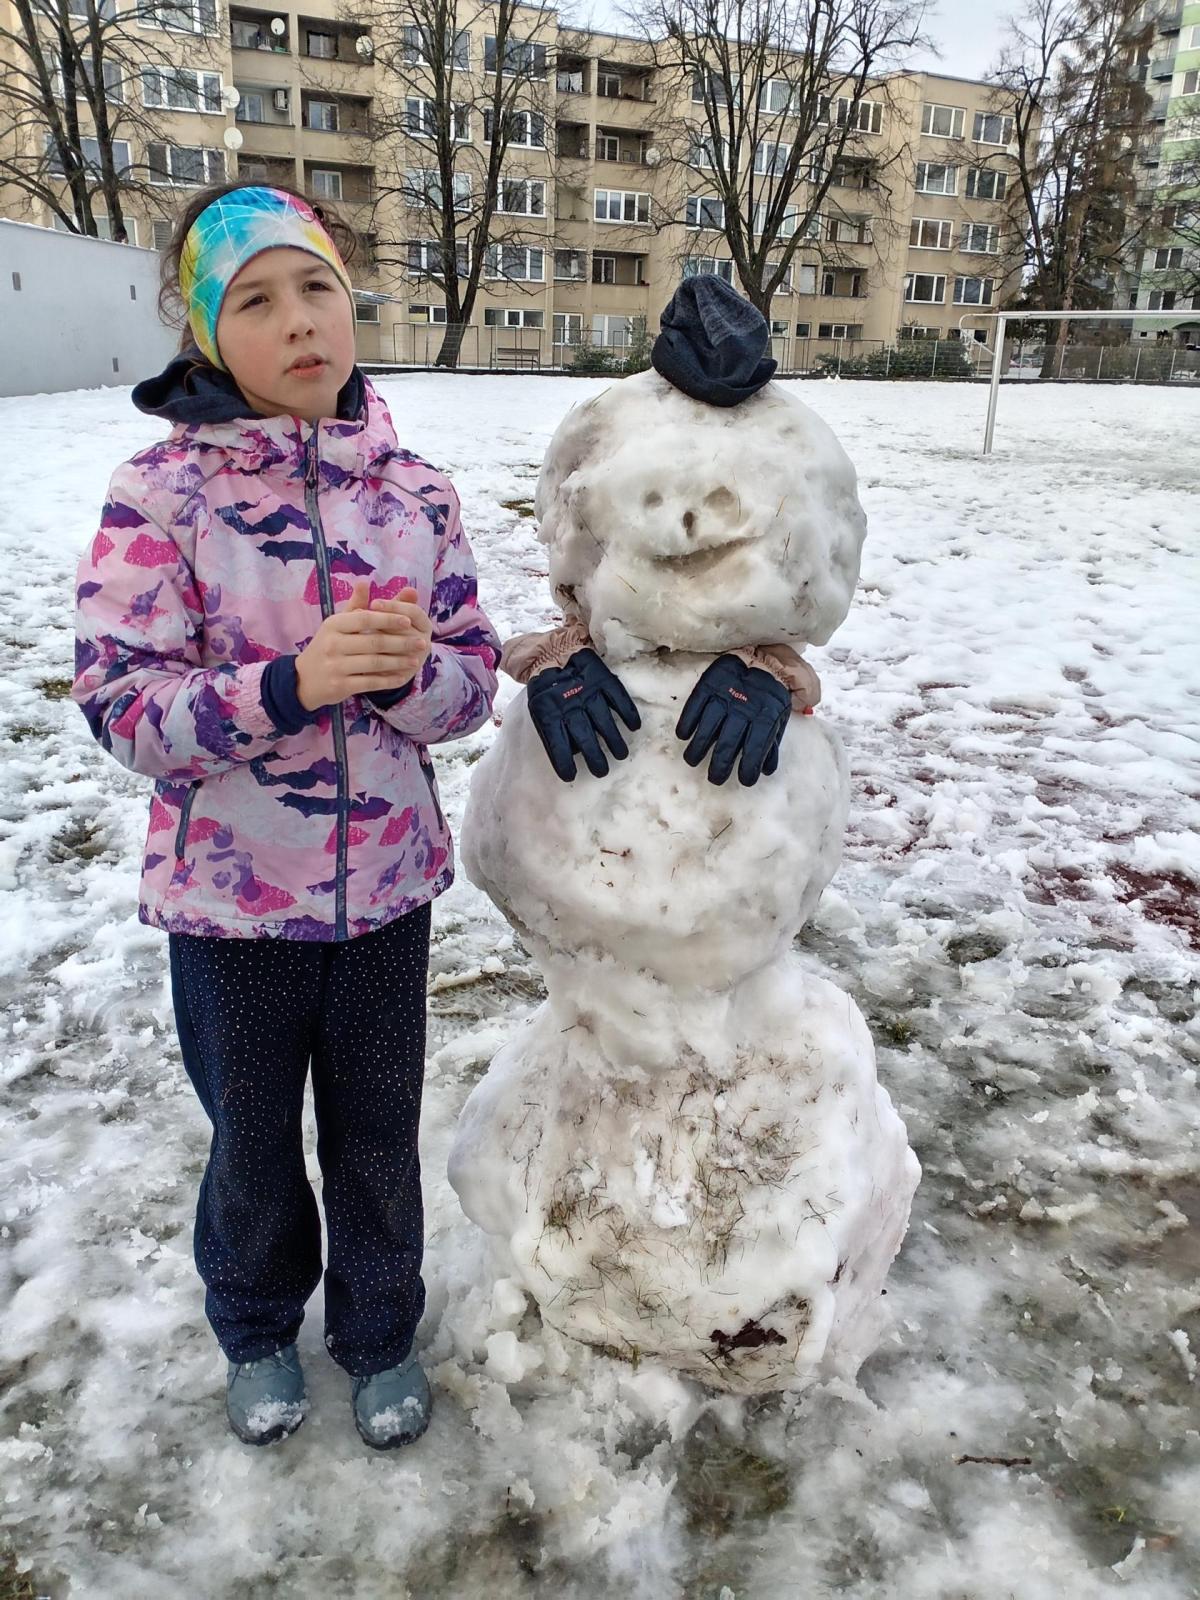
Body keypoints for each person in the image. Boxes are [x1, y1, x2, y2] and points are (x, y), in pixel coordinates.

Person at [71, 182, 500, 1451]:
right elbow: (122, 706)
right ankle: (257, 1325)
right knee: (252, 1141)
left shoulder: (417, 495)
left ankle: (377, 1332)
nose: (299, 319)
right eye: (255, 300)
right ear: (207, 334)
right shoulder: (161, 496)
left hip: (387, 894)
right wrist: (288, 685)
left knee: (376, 1138)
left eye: (316, 285)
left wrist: (409, 678)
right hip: (230, 907)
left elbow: (473, 678)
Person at [502, 276, 821, 786]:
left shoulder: (789, 438)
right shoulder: (607, 421)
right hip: (608, 682)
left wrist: (771, 665)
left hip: (746, 740)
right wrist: (561, 652)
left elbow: (810, 577)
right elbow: (569, 546)